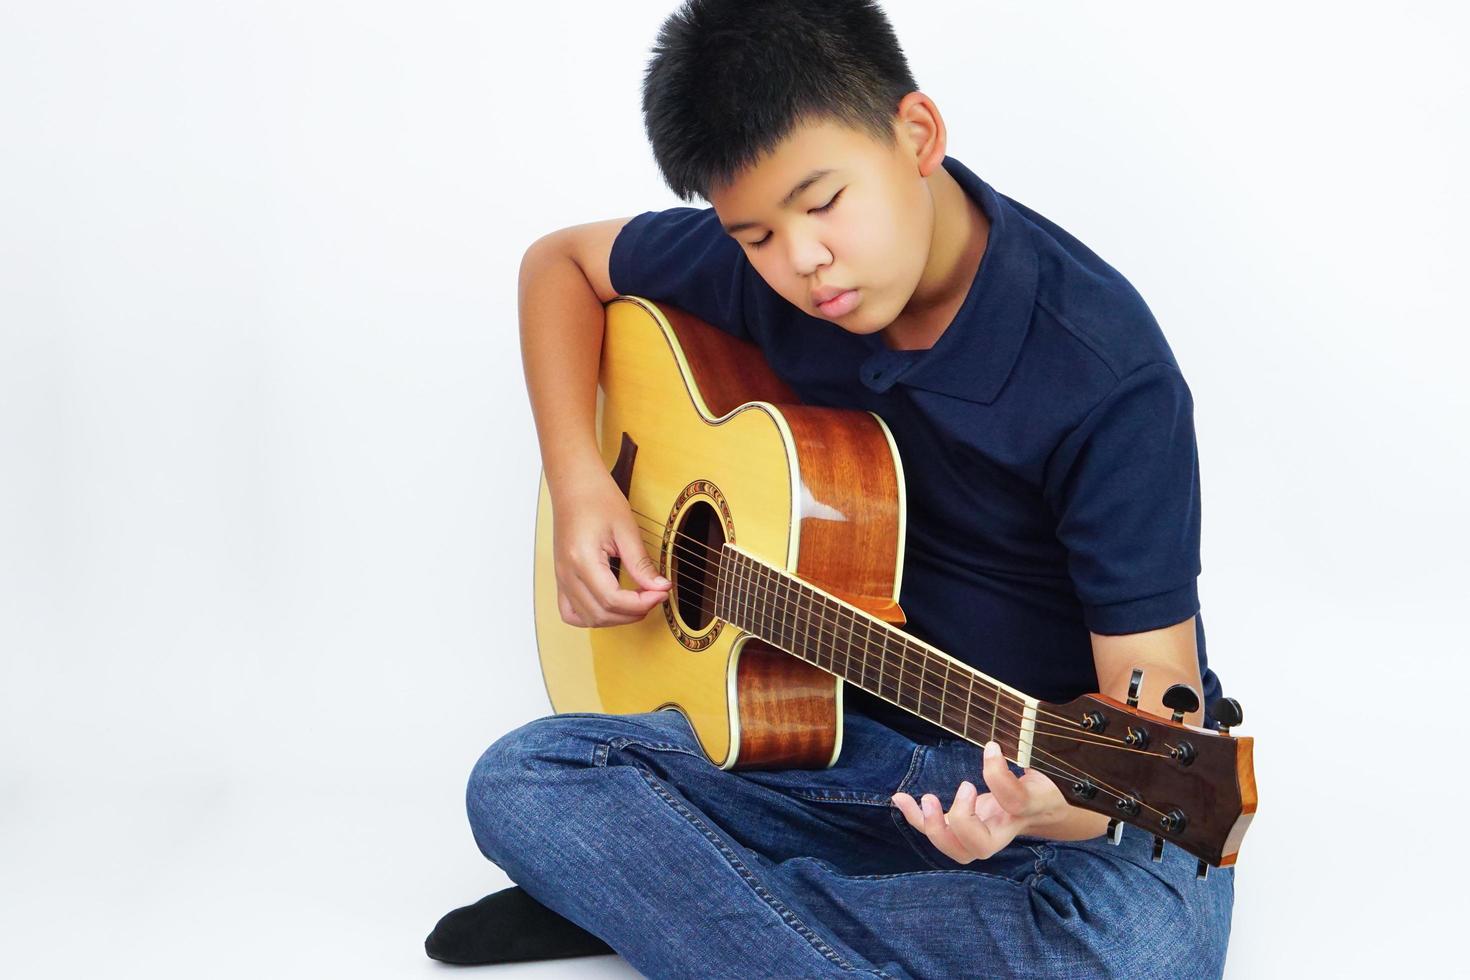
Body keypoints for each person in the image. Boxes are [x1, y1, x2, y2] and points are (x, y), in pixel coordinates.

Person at [426, 0, 1237, 975]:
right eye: (756, 233)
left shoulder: (1107, 374)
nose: (801, 262)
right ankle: (790, 906)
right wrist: (582, 478)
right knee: (524, 776)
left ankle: (679, 896)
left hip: (1046, 779)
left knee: (1139, 951)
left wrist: (1038, 803)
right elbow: (558, 262)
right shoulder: (759, 273)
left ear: (917, 135)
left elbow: (1161, 739)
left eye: (823, 204)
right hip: (837, 748)